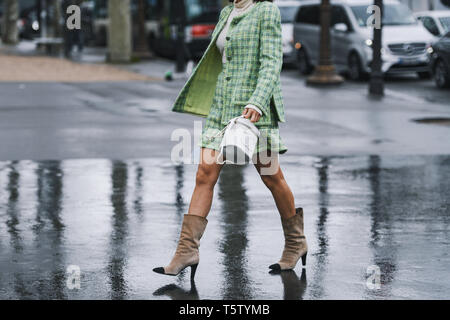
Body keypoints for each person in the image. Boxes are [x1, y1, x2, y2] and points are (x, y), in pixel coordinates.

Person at [153, 0, 308, 279]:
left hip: (253, 111)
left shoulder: (265, 11)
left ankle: (296, 243)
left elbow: (272, 62)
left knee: (271, 176)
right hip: (221, 108)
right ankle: (187, 250)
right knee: (204, 174)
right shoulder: (227, 12)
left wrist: (258, 103)